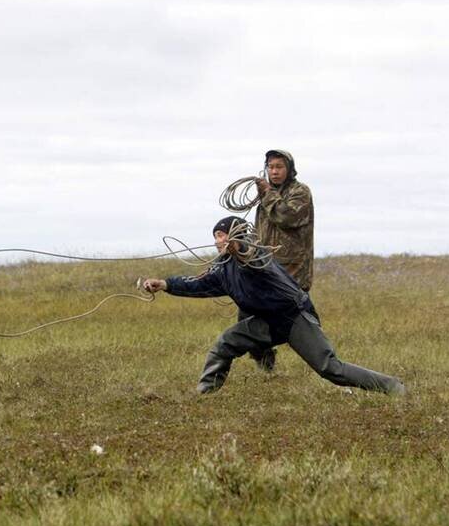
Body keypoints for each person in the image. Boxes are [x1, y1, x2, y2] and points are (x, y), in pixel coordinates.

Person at [141, 216, 406, 396]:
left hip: (294, 318)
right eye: (215, 236)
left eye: (222, 235)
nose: (217, 241)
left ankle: (392, 387)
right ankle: (204, 395)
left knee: (330, 370)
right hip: (266, 322)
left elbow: (253, 259)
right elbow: (197, 284)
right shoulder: (223, 269)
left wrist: (240, 246)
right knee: (226, 343)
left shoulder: (258, 255)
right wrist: (164, 284)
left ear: (238, 236)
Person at [247, 149, 314, 372]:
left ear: (289, 169)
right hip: (264, 267)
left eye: (279, 167)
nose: (274, 172)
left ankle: (323, 359)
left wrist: (267, 193)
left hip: (292, 269)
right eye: (271, 167)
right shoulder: (265, 195)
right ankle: (264, 361)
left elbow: (286, 217)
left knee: (295, 321)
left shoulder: (300, 191)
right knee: (248, 315)